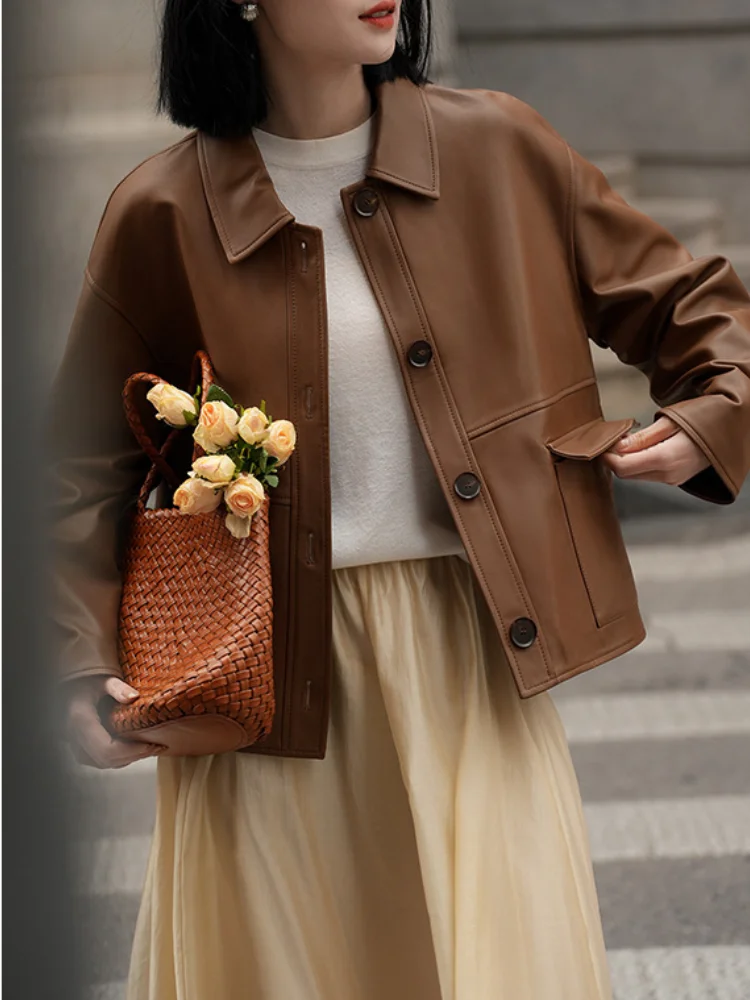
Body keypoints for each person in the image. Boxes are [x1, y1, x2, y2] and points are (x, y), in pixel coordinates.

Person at [51, 1, 750, 997]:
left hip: (469, 666)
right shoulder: (162, 211)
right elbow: (75, 468)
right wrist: (77, 660)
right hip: (261, 693)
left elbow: (699, 308)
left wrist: (711, 413)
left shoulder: (498, 148)